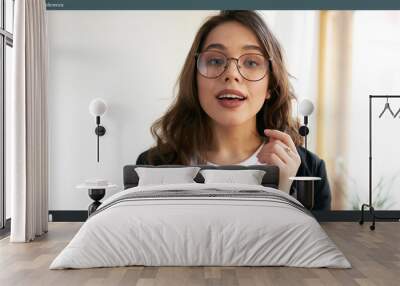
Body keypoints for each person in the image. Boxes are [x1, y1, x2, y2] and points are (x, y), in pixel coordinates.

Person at [136, 10, 331, 210]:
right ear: (194, 79)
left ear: (270, 86)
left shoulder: (308, 171)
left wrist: (281, 190)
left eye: (251, 62)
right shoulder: (152, 165)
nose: (231, 74)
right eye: (215, 60)